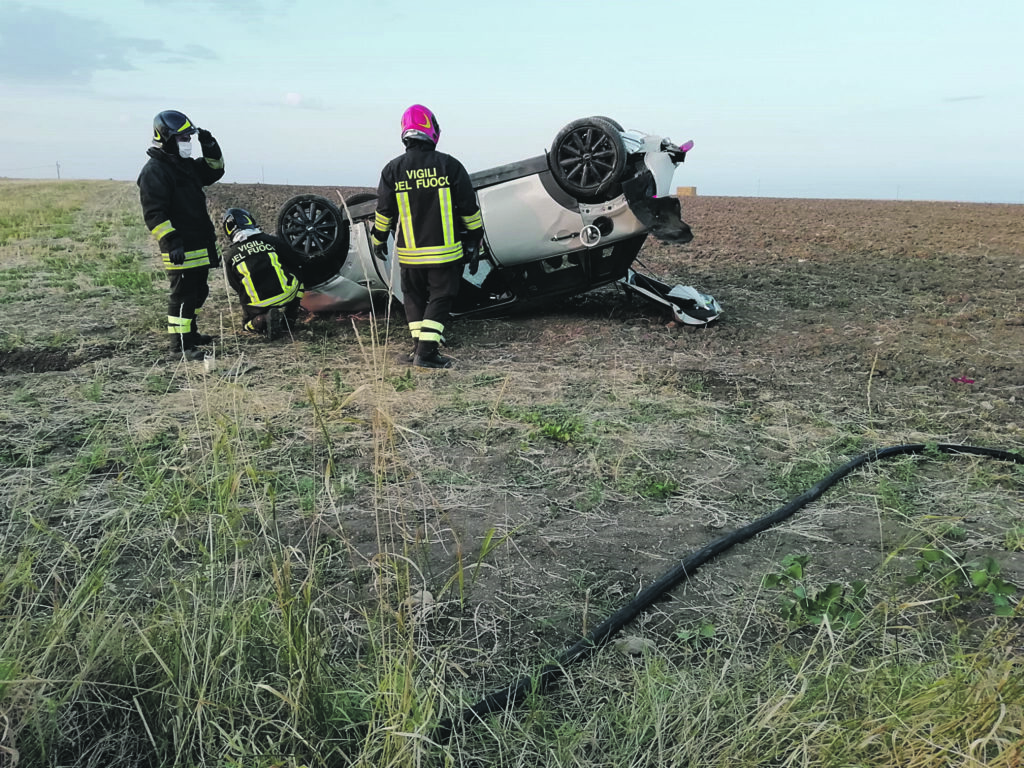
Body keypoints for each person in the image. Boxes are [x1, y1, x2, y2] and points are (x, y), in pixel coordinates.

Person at [370, 104, 483, 368]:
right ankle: (427, 353)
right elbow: (469, 210)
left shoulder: (392, 170)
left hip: (409, 254)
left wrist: (377, 241)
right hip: (445, 253)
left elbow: (383, 213)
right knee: (441, 297)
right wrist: (475, 237)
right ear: (432, 130)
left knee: (414, 298)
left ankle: (419, 347)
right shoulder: (450, 166)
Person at [138, 110, 225, 360]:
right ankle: (180, 346)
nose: (187, 143)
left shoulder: (184, 165)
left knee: (199, 292)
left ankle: (191, 334)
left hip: (198, 244)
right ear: (166, 138)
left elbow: (213, 172)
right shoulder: (154, 171)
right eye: (182, 138)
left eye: (189, 138)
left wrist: (210, 146)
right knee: (183, 296)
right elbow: (154, 213)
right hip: (181, 248)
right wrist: (171, 241)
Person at [221, 207, 349, 339]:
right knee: (299, 277)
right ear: (249, 221)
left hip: (257, 304)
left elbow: (235, 284)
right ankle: (290, 316)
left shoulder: (230, 256)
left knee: (246, 325)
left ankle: (261, 320)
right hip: (286, 295)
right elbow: (295, 260)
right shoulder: (270, 240)